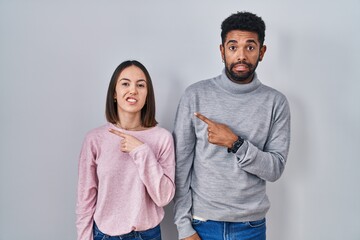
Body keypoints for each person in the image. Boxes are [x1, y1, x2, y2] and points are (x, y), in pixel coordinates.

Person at [173, 11, 291, 240]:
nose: (241, 55)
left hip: (251, 227)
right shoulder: (195, 95)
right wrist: (183, 227)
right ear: (222, 51)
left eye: (250, 47)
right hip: (202, 224)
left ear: (262, 52)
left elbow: (275, 168)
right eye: (233, 47)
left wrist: (235, 143)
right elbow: (180, 167)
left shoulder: (275, 102)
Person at [76, 60, 175, 240]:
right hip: (106, 235)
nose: (133, 90)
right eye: (125, 84)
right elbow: (85, 200)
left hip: (149, 235)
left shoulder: (163, 138)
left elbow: (164, 197)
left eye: (140, 85)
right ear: (114, 93)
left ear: (147, 94)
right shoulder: (95, 139)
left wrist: (141, 151)